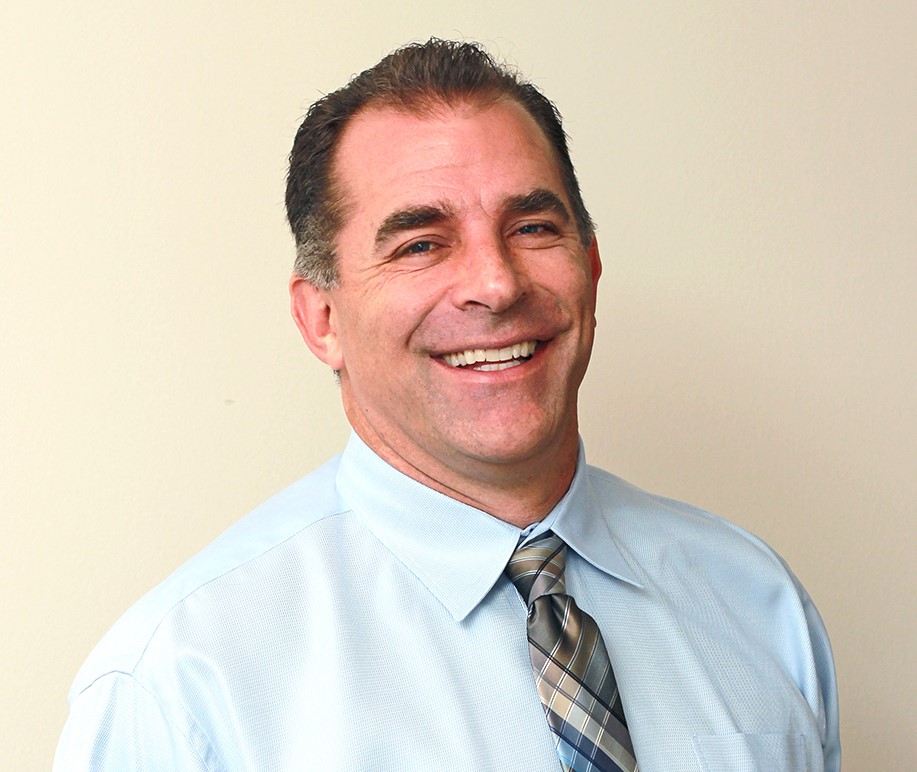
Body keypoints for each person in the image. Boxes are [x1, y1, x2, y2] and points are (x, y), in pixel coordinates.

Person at [54, 39, 840, 771]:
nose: (495, 285)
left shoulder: (754, 599)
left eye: (531, 227)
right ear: (321, 318)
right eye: (420, 244)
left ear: (590, 267)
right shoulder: (182, 683)